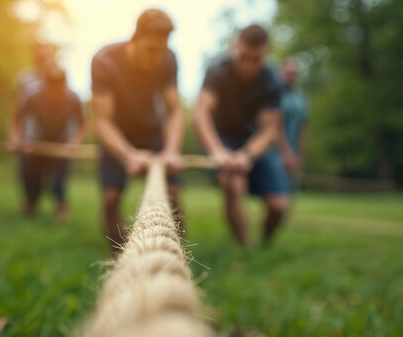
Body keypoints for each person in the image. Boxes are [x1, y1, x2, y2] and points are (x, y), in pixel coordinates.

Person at [91, 8, 184, 255]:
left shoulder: (168, 59)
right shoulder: (105, 61)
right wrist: (129, 154)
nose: (157, 58)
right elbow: (102, 121)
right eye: (151, 50)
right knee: (111, 198)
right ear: (135, 38)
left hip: (151, 130)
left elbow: (174, 110)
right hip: (117, 133)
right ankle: (118, 257)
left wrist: (172, 150)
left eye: (162, 50)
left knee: (173, 194)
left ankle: (178, 253)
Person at [193, 24, 289, 247]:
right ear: (236, 47)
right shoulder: (218, 71)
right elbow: (201, 114)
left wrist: (247, 154)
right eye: (243, 56)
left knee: (279, 206)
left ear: (266, 54)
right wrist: (216, 150)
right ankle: (243, 246)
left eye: (255, 59)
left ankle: (264, 245)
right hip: (222, 136)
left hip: (253, 139)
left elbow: (270, 129)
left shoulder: (272, 82)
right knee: (232, 184)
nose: (247, 65)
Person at [8, 63, 87, 220]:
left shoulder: (73, 98)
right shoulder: (33, 95)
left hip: (62, 143)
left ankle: (61, 207)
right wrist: (15, 138)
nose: (56, 93)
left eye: (59, 88)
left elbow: (83, 122)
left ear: (64, 85)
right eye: (52, 88)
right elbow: (17, 116)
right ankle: (31, 202)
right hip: (35, 141)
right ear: (45, 84)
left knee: (58, 178)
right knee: (30, 173)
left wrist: (75, 141)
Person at [278, 58, 309, 189]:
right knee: (276, 195)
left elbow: (303, 127)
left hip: (294, 153)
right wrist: (285, 152)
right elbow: (274, 126)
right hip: (275, 152)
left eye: (294, 74)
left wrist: (300, 155)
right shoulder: (274, 95)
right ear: (280, 72)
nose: (290, 76)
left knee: (290, 191)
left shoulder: (301, 98)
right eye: (287, 73)